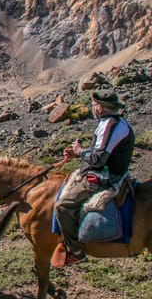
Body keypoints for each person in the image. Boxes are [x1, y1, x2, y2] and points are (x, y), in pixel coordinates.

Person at [55, 89, 135, 265]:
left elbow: (98, 159)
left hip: (104, 179)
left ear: (99, 107)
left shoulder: (110, 126)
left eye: (93, 105)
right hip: (111, 172)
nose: (92, 108)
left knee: (62, 206)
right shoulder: (116, 122)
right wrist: (78, 155)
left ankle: (75, 251)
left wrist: (80, 151)